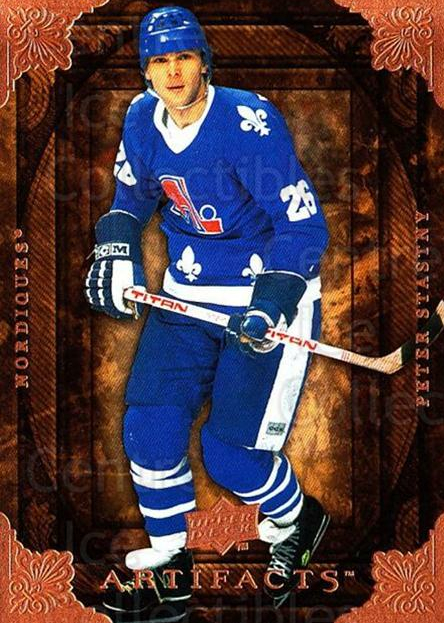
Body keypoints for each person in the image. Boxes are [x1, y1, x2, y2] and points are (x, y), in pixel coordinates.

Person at [85, 5, 330, 621]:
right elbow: (132, 196)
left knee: (229, 457)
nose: (173, 72)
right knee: (149, 430)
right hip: (186, 298)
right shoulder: (140, 118)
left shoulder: (247, 122)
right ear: (146, 71)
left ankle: (299, 517)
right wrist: (116, 248)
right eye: (160, 61)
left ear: (204, 63)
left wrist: (271, 304)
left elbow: (303, 227)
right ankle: (170, 572)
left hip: (264, 302)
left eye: (184, 57)